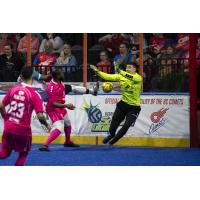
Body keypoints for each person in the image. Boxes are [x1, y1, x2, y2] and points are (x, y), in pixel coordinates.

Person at [39, 67, 99, 151]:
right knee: (59, 128)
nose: (63, 74)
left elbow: (74, 89)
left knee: (67, 123)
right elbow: (53, 103)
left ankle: (67, 142)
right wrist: (66, 105)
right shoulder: (51, 88)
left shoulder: (60, 82)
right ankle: (45, 145)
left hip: (60, 106)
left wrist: (91, 92)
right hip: (53, 109)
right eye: (61, 73)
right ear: (56, 76)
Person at [0, 67, 51, 166]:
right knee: (23, 154)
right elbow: (40, 116)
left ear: (21, 76)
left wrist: (6, 118)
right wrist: (47, 125)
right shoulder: (34, 94)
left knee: (4, 154)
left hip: (8, 127)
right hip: (22, 130)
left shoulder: (13, 89)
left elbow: (1, 106)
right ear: (33, 76)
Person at [90, 62, 142, 145]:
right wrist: (97, 71)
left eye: (130, 67)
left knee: (126, 126)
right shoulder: (121, 76)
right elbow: (107, 76)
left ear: (135, 69)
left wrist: (120, 71)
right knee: (114, 123)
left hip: (134, 108)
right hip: (123, 104)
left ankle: (112, 143)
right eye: (127, 67)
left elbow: (131, 77)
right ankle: (111, 135)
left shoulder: (138, 78)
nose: (127, 69)